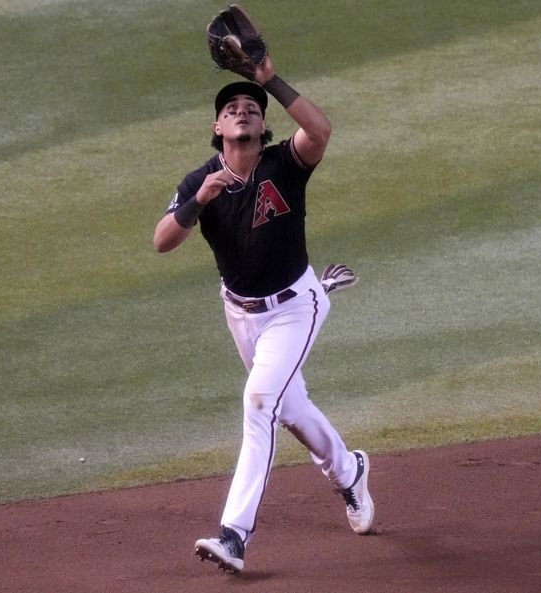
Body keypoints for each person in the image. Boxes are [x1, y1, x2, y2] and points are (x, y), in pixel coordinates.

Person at [152, 53, 374, 574]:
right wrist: (199, 200)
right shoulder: (199, 181)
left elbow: (319, 130)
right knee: (290, 408)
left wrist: (268, 79)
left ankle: (235, 534)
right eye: (231, 108)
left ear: (263, 121)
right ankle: (350, 471)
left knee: (259, 403)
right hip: (241, 316)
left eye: (251, 106)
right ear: (217, 127)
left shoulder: (283, 164)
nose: (242, 110)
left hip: (297, 307)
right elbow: (162, 241)